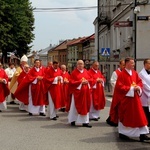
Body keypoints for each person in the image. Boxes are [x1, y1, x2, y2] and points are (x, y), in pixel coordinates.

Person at [112, 57, 150, 142]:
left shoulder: (134, 73)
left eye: (133, 63)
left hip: (135, 99)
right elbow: (119, 87)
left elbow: (140, 82)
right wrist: (132, 88)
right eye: (132, 63)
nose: (134, 64)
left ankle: (142, 134)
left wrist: (138, 87)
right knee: (126, 117)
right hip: (126, 100)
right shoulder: (122, 74)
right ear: (127, 63)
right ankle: (123, 133)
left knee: (140, 116)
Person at [68, 60, 92, 128]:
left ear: (84, 65)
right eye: (79, 64)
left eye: (81, 64)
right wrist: (80, 82)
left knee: (85, 106)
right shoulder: (74, 73)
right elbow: (71, 82)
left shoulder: (86, 72)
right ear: (77, 65)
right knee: (74, 107)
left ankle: (85, 122)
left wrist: (87, 81)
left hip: (85, 93)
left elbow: (91, 79)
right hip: (77, 93)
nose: (80, 65)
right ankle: (73, 120)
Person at [106, 59, 125, 126]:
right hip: (118, 92)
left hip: (124, 92)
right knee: (116, 107)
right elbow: (112, 81)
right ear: (119, 65)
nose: (124, 66)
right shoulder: (116, 72)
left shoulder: (126, 72)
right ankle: (113, 119)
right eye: (123, 65)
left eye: (125, 65)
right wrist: (120, 85)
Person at [139, 58, 150, 127]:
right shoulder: (141, 74)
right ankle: (146, 125)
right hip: (145, 96)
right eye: (149, 63)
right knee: (146, 111)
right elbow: (143, 84)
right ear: (145, 64)